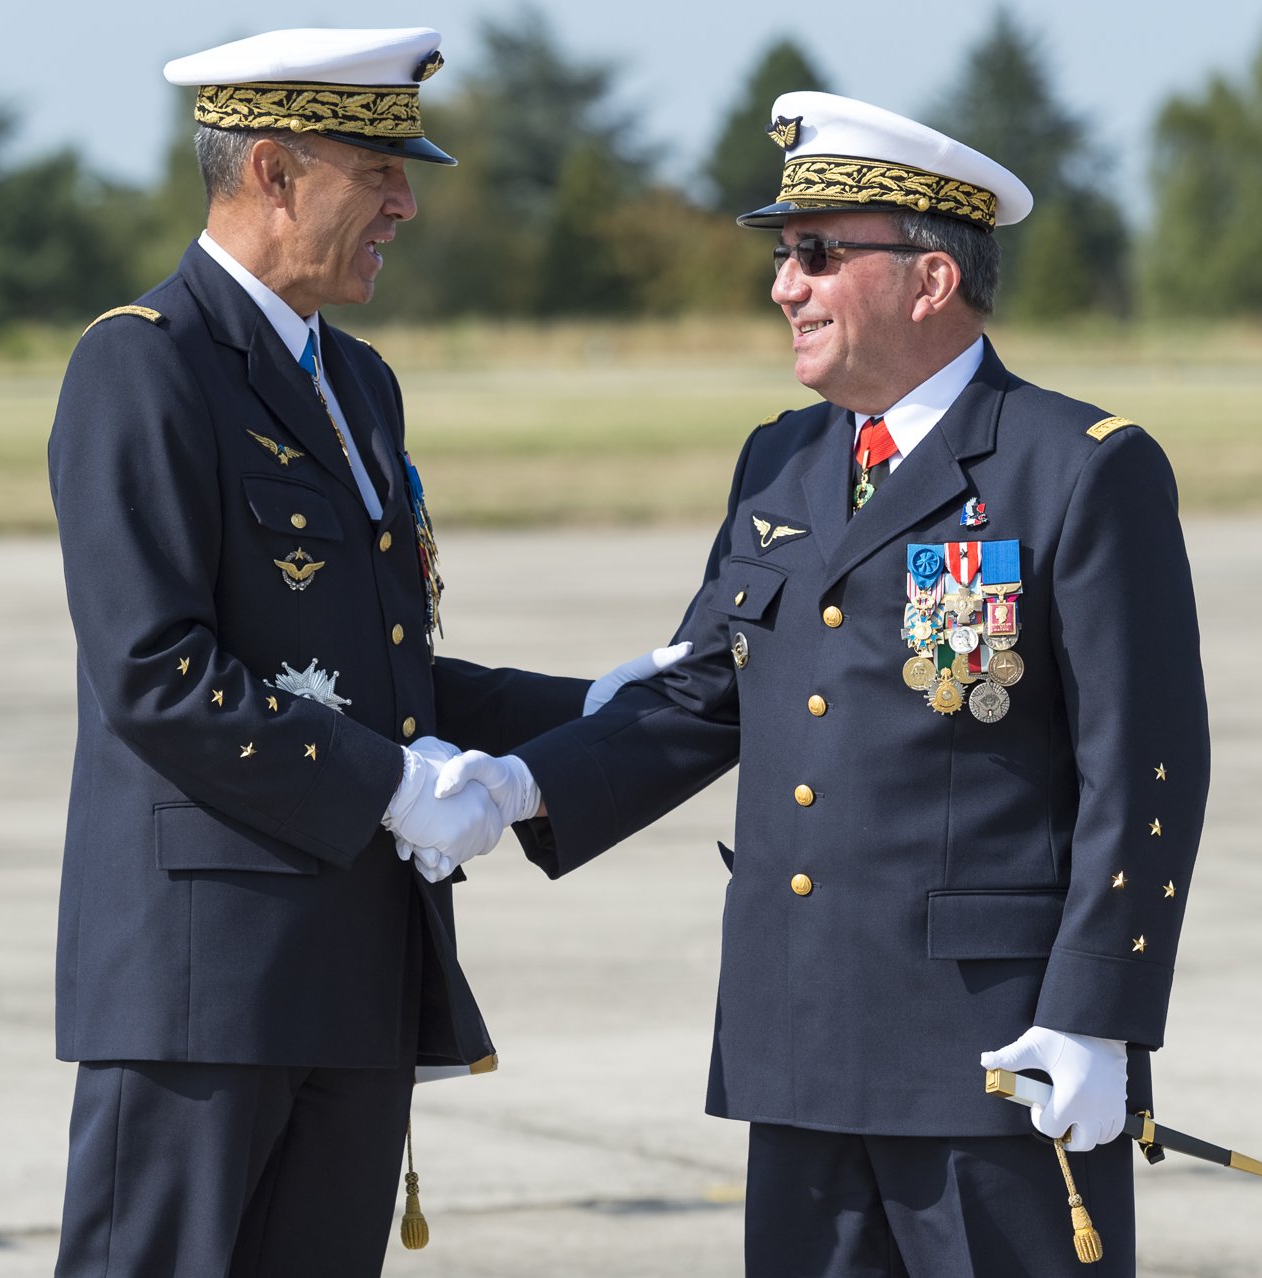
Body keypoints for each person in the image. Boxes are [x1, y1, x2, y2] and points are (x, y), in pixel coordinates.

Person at [433, 92, 1210, 1275]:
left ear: (930, 280)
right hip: (798, 1038)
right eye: (784, 257)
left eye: (814, 255)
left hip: (993, 1052)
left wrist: (1101, 1011)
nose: (784, 287)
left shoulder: (1077, 469)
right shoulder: (783, 458)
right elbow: (705, 694)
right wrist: (516, 788)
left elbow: (1144, 766)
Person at [44, 27, 677, 1277]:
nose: (407, 201)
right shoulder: (144, 366)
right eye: (378, 168)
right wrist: (390, 787)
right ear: (273, 171)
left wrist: (595, 708)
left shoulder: (358, 383)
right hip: (203, 985)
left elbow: (386, 678)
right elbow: (155, 671)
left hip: (353, 966)